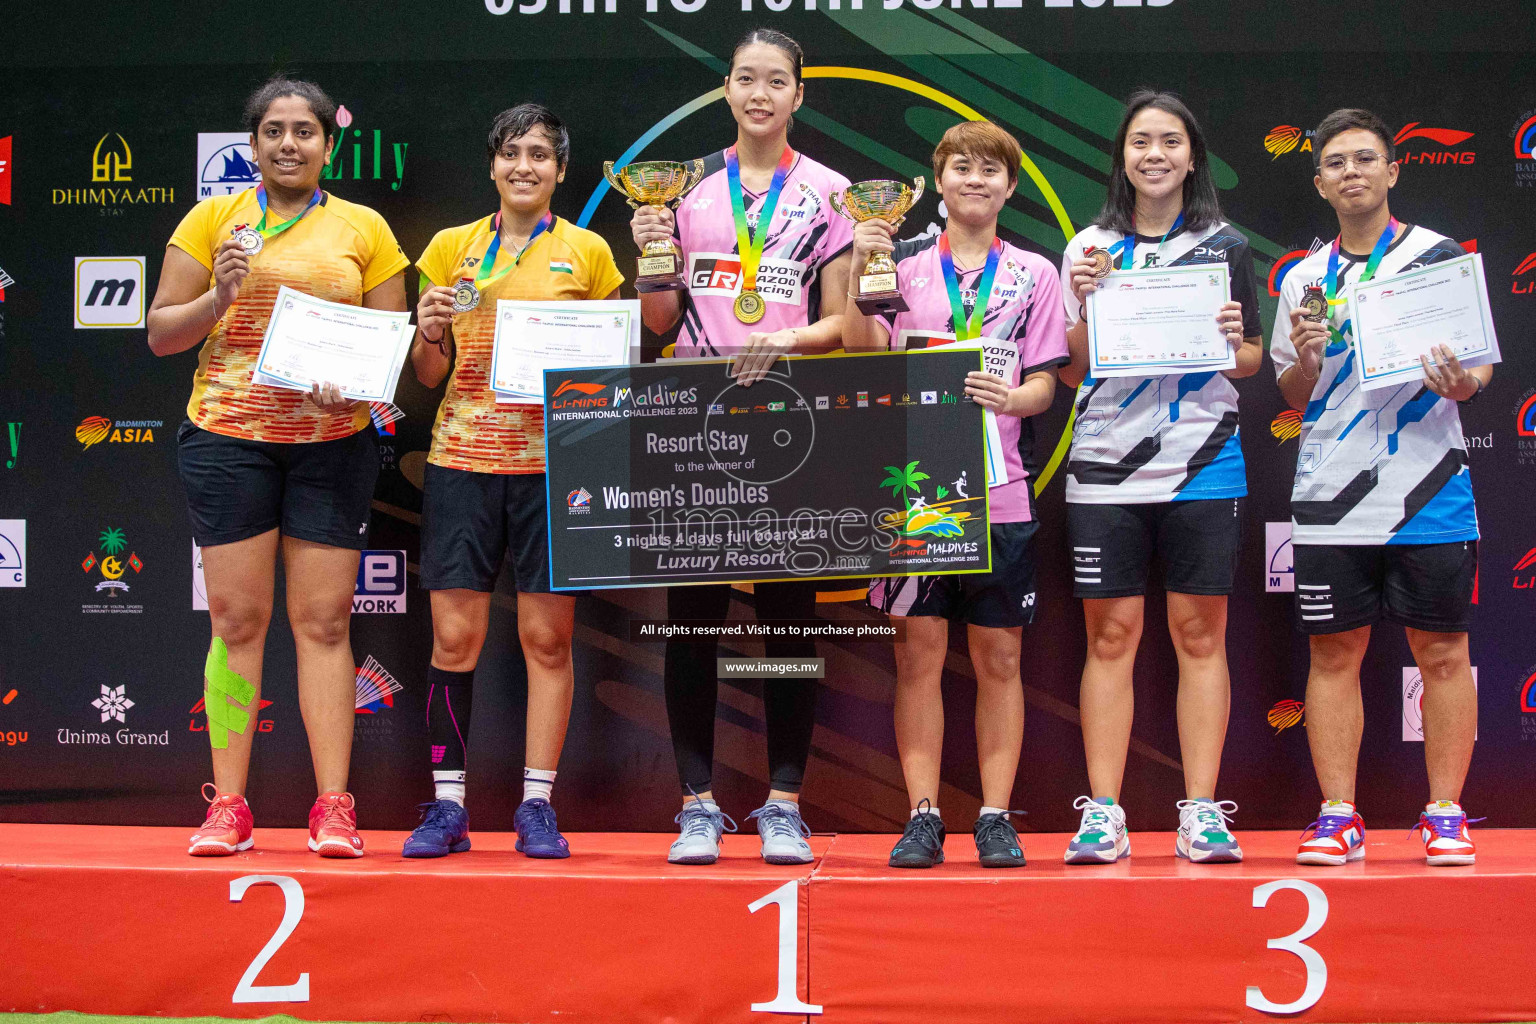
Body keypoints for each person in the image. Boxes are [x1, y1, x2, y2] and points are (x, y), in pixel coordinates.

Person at [147, 77, 409, 857]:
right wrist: (218, 299)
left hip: (332, 446)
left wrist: (356, 379)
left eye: (305, 131)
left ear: (330, 144)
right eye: (273, 131)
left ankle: (334, 806)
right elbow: (162, 333)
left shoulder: (364, 227)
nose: (289, 144)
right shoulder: (212, 221)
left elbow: (390, 341)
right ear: (252, 143)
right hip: (228, 440)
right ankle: (229, 804)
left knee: (325, 624)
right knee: (236, 623)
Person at [629, 27, 854, 865]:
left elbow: (846, 324)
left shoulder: (833, 193)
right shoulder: (683, 193)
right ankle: (696, 803)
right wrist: (651, 257)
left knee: (791, 622)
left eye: (777, 82)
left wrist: (788, 344)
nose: (761, 94)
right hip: (696, 421)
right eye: (746, 80)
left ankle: (784, 802)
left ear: (799, 95)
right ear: (726, 89)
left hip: (793, 422)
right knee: (693, 620)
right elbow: (658, 323)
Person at [843, 121, 1068, 868]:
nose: (976, 180)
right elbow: (861, 356)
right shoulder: (899, 264)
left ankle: (997, 815)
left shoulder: (1036, 273)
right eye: (961, 167)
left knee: (1001, 658)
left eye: (992, 170)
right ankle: (923, 813)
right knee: (919, 656)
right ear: (936, 182)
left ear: (1011, 185)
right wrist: (858, 274)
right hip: (917, 487)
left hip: (1001, 489)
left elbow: (1046, 381)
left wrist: (1013, 399)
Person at [402, 104, 623, 860]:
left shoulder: (589, 252)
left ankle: (537, 805)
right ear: (492, 166)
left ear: (561, 170)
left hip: (556, 471)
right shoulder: (450, 248)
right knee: (454, 637)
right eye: (510, 153)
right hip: (462, 460)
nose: (523, 165)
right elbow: (430, 375)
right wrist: (429, 329)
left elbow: (609, 368)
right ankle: (448, 807)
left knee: (546, 639)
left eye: (539, 154)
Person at [1272, 108, 1489, 867]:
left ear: (1393, 171)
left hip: (1429, 487)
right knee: (1334, 654)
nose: (1352, 171)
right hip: (1331, 494)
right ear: (1320, 182)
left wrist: (1459, 378)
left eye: (1366, 158)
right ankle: (1338, 813)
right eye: (1336, 162)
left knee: (1443, 652)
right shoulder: (1303, 277)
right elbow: (1292, 394)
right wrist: (1303, 356)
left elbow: (1478, 375)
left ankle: (1445, 811)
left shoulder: (1437, 259)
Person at [1057, 90, 1262, 865]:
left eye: (1169, 142)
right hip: (1107, 467)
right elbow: (1071, 368)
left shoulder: (1226, 245)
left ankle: (1202, 810)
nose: (1154, 155)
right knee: (1111, 636)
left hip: (1203, 466)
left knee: (1198, 637)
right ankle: (1102, 812)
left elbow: (1247, 362)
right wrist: (1080, 307)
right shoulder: (1087, 248)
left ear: (1191, 156)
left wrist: (1232, 340)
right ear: (1122, 157)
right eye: (1140, 141)